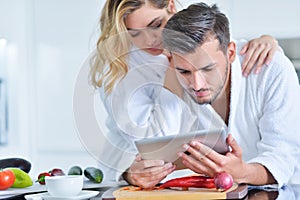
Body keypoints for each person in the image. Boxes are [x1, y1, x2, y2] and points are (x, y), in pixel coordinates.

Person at [90, 0, 281, 186]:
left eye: (155, 25)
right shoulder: (120, 70)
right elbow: (157, 148)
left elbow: (218, 46)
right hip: (130, 176)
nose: (150, 40)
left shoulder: (190, 43)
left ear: (171, 6)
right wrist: (172, 75)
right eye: (134, 33)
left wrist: (267, 41)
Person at [161, 2, 300, 188]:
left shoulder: (272, 69)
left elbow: (283, 157)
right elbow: (151, 149)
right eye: (185, 72)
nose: (197, 85)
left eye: (208, 69)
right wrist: (138, 172)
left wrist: (242, 172)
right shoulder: (167, 83)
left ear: (231, 52)